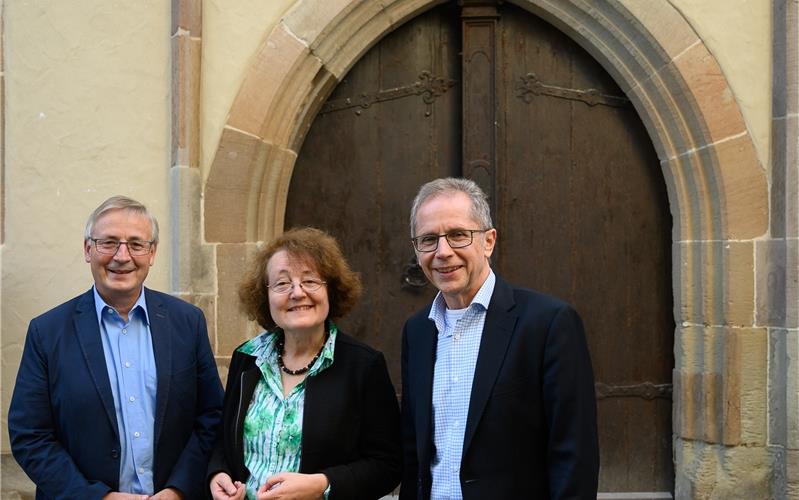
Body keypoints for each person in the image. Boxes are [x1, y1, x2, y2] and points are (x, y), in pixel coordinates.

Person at [8, 195, 224, 499]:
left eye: (136, 244)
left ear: (152, 253)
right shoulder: (47, 332)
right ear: (87, 249)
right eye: (108, 242)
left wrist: (178, 490)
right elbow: (30, 435)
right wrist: (97, 497)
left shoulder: (187, 323)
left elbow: (212, 416)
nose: (122, 256)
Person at [400, 178, 599, 500]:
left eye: (457, 235)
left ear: (488, 241)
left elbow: (574, 453)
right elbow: (414, 451)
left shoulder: (548, 323)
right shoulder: (418, 331)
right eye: (428, 239)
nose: (443, 252)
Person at [208, 227, 402, 500]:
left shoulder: (364, 366)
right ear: (265, 296)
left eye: (310, 281)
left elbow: (388, 465)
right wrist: (218, 474)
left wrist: (321, 485)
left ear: (330, 290)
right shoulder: (247, 358)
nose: (297, 293)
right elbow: (223, 443)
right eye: (282, 283)